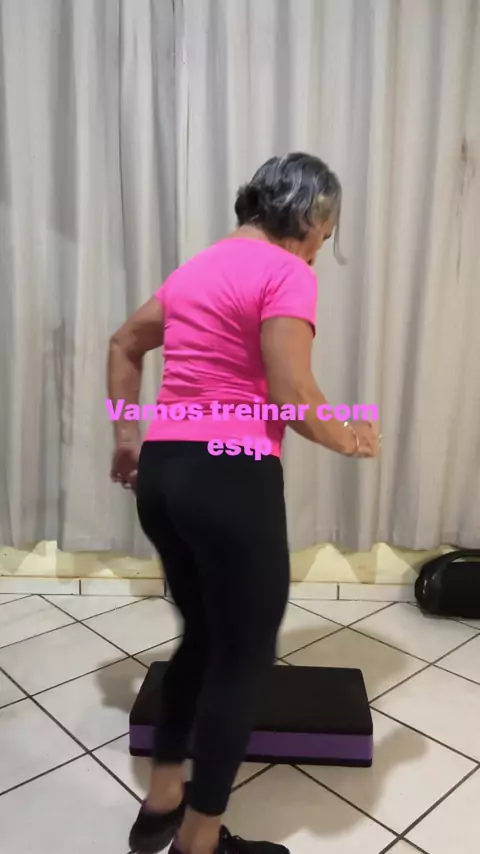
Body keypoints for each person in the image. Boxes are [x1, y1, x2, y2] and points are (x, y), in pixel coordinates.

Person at [107, 152, 380, 854]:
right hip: (228, 477)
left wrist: (127, 438)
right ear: (309, 216)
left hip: (164, 473)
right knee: (243, 658)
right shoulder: (285, 271)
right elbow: (293, 396)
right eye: (324, 236)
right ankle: (199, 841)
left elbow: (124, 343)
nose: (318, 253)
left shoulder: (196, 268)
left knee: (201, 637)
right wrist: (349, 436)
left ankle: (162, 800)